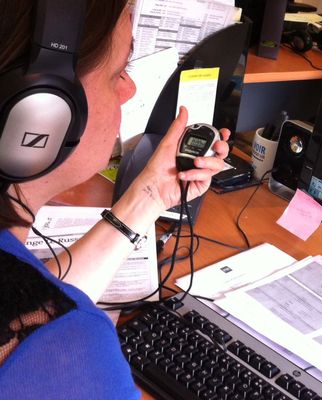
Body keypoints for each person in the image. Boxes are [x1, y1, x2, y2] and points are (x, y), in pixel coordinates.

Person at [0, 1, 230, 398]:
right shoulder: (72, 358)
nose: (130, 88)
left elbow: (28, 308)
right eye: (118, 71)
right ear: (41, 110)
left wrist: (150, 195)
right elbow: (46, 339)